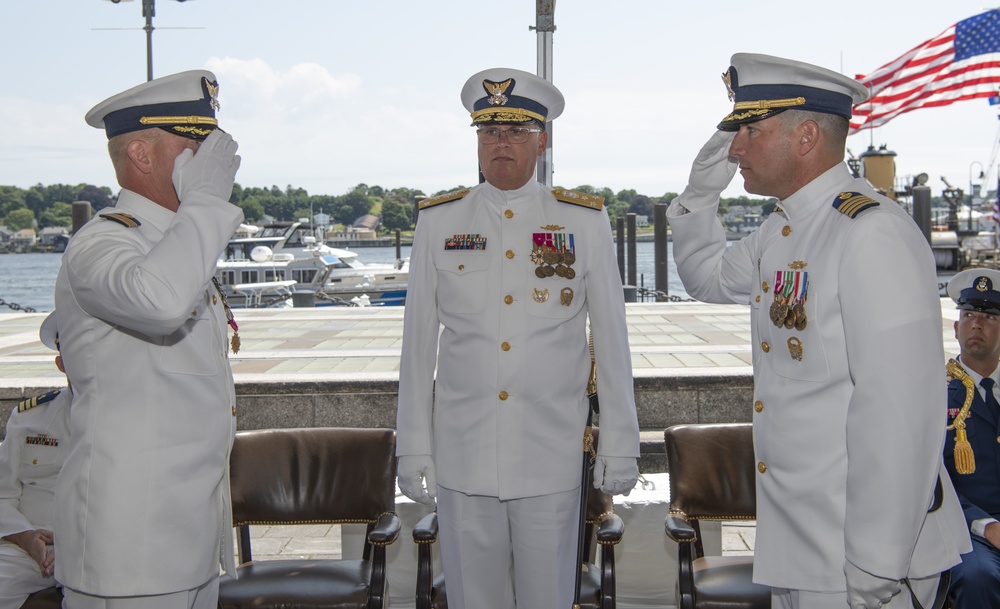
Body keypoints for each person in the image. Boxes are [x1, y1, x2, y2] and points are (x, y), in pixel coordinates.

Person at [667, 52, 970, 609]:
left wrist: (876, 563)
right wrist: (701, 191)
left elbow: (900, 412)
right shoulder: (782, 231)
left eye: (750, 130)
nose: (736, 148)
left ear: (806, 135)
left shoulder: (868, 232)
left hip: (863, 559)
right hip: (803, 548)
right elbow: (706, 278)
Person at [395, 67, 640, 609]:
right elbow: (416, 349)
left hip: (548, 454)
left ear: (541, 140)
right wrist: (412, 444)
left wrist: (621, 442)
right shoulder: (439, 222)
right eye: (488, 132)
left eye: (515, 133)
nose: (500, 143)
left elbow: (613, 342)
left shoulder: (582, 220)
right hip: (463, 456)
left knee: (548, 599)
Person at [52, 70, 244, 609]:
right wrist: (207, 202)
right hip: (129, 549)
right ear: (141, 153)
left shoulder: (178, 246)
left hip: (189, 540)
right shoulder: (102, 244)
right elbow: (159, 303)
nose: (212, 163)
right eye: (196, 146)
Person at [0, 313, 70, 608]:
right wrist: (26, 537)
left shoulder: (134, 422)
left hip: (100, 547)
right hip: (29, 550)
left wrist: (76, 545)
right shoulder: (31, 418)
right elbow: (3, 493)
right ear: (61, 363)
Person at [943, 268, 1000, 608]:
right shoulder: (935, 396)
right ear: (956, 328)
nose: (976, 324)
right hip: (970, 529)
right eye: (968, 316)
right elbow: (931, 480)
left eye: (988, 316)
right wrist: (986, 524)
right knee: (979, 577)